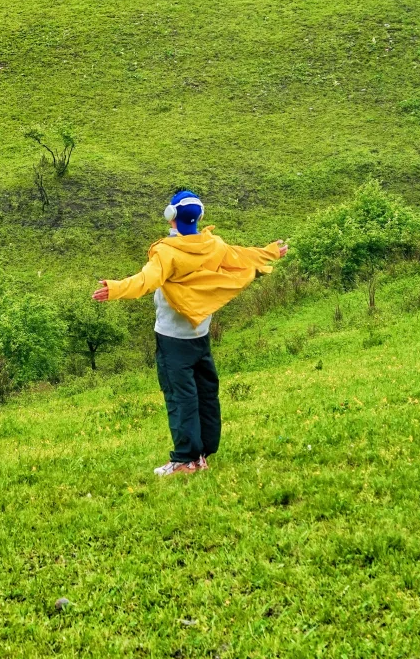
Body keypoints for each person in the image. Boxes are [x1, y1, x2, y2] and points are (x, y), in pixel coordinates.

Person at [93, 190, 287, 477]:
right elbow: (242, 255)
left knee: (180, 396)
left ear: (170, 216)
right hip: (201, 334)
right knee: (206, 394)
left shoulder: (167, 252)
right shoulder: (213, 245)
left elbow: (146, 280)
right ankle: (201, 456)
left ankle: (185, 460)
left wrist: (116, 288)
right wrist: (270, 252)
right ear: (200, 216)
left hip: (172, 338)